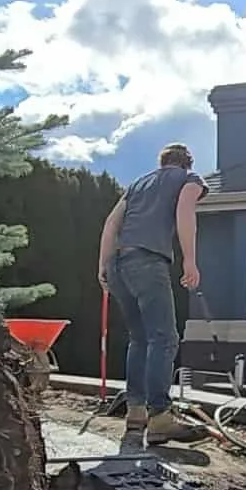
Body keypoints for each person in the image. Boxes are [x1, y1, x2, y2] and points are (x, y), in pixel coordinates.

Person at [98, 142, 208, 445]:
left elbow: (111, 224)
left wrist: (102, 266)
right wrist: (190, 261)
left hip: (118, 264)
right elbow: (186, 213)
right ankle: (160, 416)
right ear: (186, 163)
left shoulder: (136, 184)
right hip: (147, 261)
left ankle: (136, 412)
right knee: (164, 338)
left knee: (140, 338)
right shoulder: (190, 180)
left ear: (162, 163)